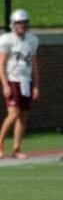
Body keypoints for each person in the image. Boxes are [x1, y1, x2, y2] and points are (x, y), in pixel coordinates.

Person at [0, 9, 39, 160]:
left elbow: (34, 64)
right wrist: (5, 84)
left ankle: (16, 148)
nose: (23, 25)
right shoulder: (7, 40)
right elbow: (1, 64)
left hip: (26, 81)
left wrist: (36, 85)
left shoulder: (32, 40)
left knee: (23, 116)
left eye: (25, 22)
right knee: (13, 114)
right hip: (12, 79)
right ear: (13, 24)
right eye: (19, 23)